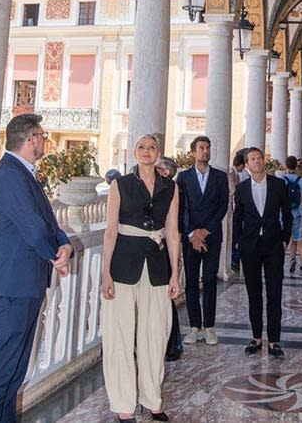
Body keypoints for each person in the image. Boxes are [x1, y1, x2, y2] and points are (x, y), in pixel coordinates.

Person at [0, 114, 73, 423]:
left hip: (26, 285)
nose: (46, 140)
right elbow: (33, 228)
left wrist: (65, 244)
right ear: (31, 139)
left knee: (15, 372)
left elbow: (47, 220)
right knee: (2, 372)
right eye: (43, 135)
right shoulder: (9, 175)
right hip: (13, 287)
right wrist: (56, 256)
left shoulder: (25, 173)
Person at [100, 134, 181, 423]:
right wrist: (105, 272)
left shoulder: (171, 188)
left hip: (157, 267)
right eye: (142, 147)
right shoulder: (119, 184)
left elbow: (173, 233)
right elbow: (110, 230)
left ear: (159, 152)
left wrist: (175, 273)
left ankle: (152, 401)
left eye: (152, 147)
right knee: (119, 336)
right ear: (134, 152)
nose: (147, 152)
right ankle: (124, 405)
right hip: (123, 265)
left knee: (155, 335)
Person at [233, 147, 292, 358]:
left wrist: (285, 239)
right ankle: (256, 337)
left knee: (275, 293)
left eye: (259, 158)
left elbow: (287, 213)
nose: (257, 161)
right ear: (246, 165)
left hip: (274, 245)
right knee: (253, 293)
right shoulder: (241, 189)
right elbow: (237, 218)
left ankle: (274, 340)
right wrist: (238, 243)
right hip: (250, 247)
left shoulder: (278, 185)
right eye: (252, 159)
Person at [176, 136, 229, 346]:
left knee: (209, 280)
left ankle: (209, 327)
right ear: (192, 153)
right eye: (201, 148)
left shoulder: (220, 177)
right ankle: (194, 327)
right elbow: (181, 208)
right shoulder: (183, 178)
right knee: (190, 282)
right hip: (190, 239)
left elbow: (222, 206)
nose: (205, 151)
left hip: (212, 237)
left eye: (208, 147)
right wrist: (192, 234)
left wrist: (205, 231)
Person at [155, 157, 184, 362]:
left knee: (165, 298)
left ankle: (172, 344)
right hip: (146, 251)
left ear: (165, 172)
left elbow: (174, 228)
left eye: (157, 167)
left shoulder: (171, 192)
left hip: (163, 250)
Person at [283, 155, 302, 279]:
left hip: (285, 215)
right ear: (296, 166)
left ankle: (290, 259)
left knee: (288, 239)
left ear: (286, 166)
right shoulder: (301, 181)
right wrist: (299, 204)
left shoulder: (282, 180)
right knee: (299, 239)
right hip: (298, 214)